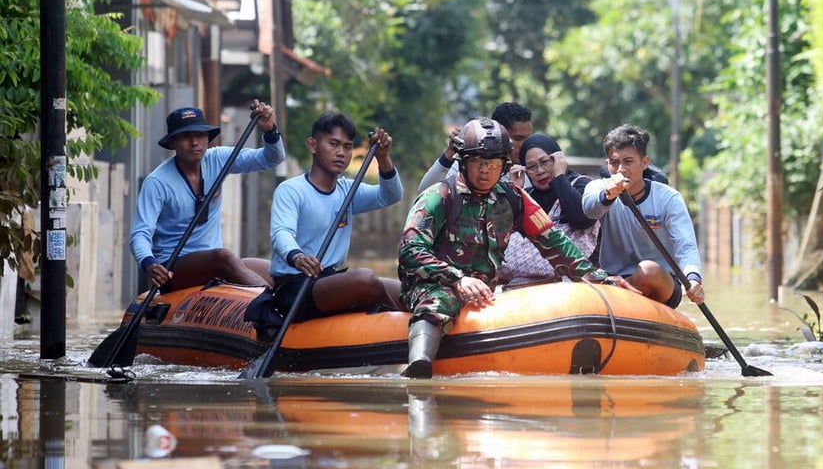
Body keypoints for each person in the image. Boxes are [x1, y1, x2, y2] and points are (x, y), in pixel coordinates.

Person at [398, 117, 634, 379]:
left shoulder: (513, 198)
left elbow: (553, 242)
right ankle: (418, 368)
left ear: (504, 165)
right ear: (464, 163)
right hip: (431, 285)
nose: (485, 171)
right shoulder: (440, 196)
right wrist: (457, 279)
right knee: (441, 299)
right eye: (478, 162)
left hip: (482, 290)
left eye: (494, 163)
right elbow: (410, 251)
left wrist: (598, 277)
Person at [130, 101, 285, 291]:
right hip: (173, 267)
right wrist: (149, 263)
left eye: (200, 135)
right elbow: (140, 233)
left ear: (207, 138)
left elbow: (271, 158)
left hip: (214, 262)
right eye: (186, 137)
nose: (194, 142)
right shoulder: (157, 182)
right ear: (172, 143)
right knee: (224, 257)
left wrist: (269, 131)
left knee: (278, 270)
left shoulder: (217, 158)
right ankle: (269, 304)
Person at [266, 112, 404, 323]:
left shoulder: (348, 190)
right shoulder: (291, 190)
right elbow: (281, 233)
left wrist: (383, 157)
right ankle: (399, 325)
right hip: (295, 286)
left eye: (347, 147)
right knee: (365, 278)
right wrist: (298, 256)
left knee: (405, 290)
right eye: (334, 144)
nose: (341, 153)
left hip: (330, 279)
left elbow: (391, 195)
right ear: (313, 145)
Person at [582, 124, 704, 308]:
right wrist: (608, 196)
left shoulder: (668, 198)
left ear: (645, 162)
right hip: (612, 279)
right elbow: (590, 210)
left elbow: (685, 245)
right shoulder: (597, 188)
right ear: (607, 164)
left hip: (661, 281)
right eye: (614, 163)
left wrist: (693, 278)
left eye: (628, 162)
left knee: (648, 270)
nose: (621, 169)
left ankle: (618, 298)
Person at [500, 133, 599, 282]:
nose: (540, 171)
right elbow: (502, 231)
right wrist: (515, 191)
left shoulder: (582, 185)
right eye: (532, 167)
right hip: (523, 280)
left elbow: (582, 220)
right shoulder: (528, 195)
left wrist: (559, 176)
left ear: (558, 159)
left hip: (576, 279)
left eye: (545, 162)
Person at [416, 101, 534, 192]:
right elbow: (425, 191)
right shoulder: (467, 164)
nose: (485, 171)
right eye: (518, 138)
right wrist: (449, 155)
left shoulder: (527, 173)